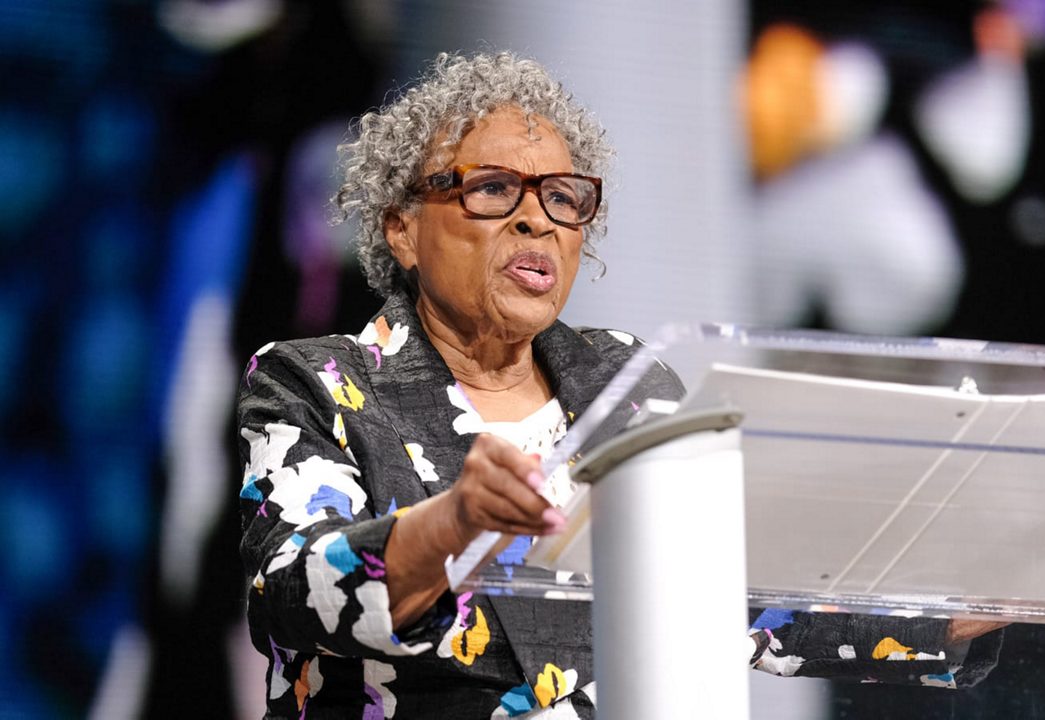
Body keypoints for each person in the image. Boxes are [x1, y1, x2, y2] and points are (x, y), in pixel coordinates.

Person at [237, 51, 1001, 719]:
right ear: (402, 226)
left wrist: (954, 612)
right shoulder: (316, 382)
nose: (537, 221)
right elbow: (291, 596)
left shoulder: (623, 383)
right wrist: (455, 523)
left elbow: (732, 597)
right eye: (496, 189)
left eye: (563, 198)